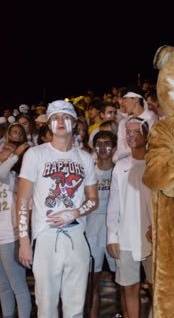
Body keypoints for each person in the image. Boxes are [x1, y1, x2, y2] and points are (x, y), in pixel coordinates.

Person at [16, 100, 99, 318]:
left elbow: (93, 199)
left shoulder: (85, 158)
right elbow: (23, 200)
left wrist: (76, 211)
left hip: (77, 235)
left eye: (65, 117)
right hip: (45, 236)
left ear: (74, 121)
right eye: (55, 118)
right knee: (46, 306)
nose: (60, 122)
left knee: (75, 307)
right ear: (49, 124)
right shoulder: (36, 154)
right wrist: (24, 241)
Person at [107, 117, 153, 318]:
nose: (132, 135)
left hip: (154, 238)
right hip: (126, 238)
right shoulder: (120, 166)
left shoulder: (157, 164)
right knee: (130, 288)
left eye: (136, 131)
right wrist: (112, 236)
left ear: (147, 134)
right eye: (129, 132)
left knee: (156, 289)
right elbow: (114, 204)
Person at [85, 130, 117, 318]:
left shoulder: (120, 170)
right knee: (92, 283)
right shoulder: (89, 170)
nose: (103, 147)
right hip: (92, 229)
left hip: (115, 230)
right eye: (99, 143)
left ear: (114, 148)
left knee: (123, 281)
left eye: (107, 143)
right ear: (94, 147)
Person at [0, 141, 31, 318]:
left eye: (9, 150)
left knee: (18, 286)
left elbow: (2, 171)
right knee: (3, 286)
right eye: (4, 148)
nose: (4, 150)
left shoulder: (11, 176)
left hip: (9, 238)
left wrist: (16, 154)